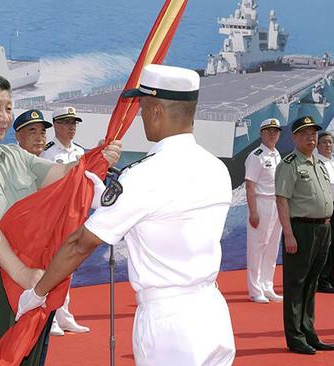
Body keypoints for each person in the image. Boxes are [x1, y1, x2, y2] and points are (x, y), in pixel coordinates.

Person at [17, 64, 236, 365]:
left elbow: (81, 242)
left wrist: (37, 293)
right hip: (213, 312)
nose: (142, 116)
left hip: (169, 325)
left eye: (143, 107)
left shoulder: (144, 175)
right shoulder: (216, 168)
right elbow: (166, 216)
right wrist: (100, 197)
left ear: (157, 110)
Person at [0, 71, 121, 366]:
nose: (5, 117)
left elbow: (63, 176)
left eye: (8, 108)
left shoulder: (15, 156)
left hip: (32, 281)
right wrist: (24, 276)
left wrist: (98, 157)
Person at [275, 116, 334, 354]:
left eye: (314, 134)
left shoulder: (319, 164)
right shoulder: (290, 164)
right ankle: (295, 337)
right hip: (301, 229)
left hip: (323, 228)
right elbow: (282, 199)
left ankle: (309, 332)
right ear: (295, 138)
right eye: (306, 134)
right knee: (296, 284)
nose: (312, 138)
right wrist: (288, 234)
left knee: (311, 285)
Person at [38, 106, 90, 336]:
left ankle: (64, 315)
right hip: (54, 216)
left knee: (69, 266)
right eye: (67, 123)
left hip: (75, 214)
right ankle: (51, 317)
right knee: (53, 266)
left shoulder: (80, 151)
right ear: (56, 125)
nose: (71, 127)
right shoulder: (47, 153)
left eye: (74, 123)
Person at [244, 118, 283, 303]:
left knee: (272, 248)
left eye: (275, 131)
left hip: (276, 204)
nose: (273, 134)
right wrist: (253, 211)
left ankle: (268, 286)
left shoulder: (277, 155)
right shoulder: (256, 155)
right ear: (261, 133)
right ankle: (255, 289)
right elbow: (249, 186)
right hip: (261, 203)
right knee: (257, 247)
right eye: (269, 131)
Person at [315, 131, 334, 293]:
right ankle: (322, 280)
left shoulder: (331, 162)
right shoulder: (316, 164)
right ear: (317, 145)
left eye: (330, 142)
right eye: (325, 142)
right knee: (325, 247)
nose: (328, 146)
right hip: (325, 210)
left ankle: (330, 278)